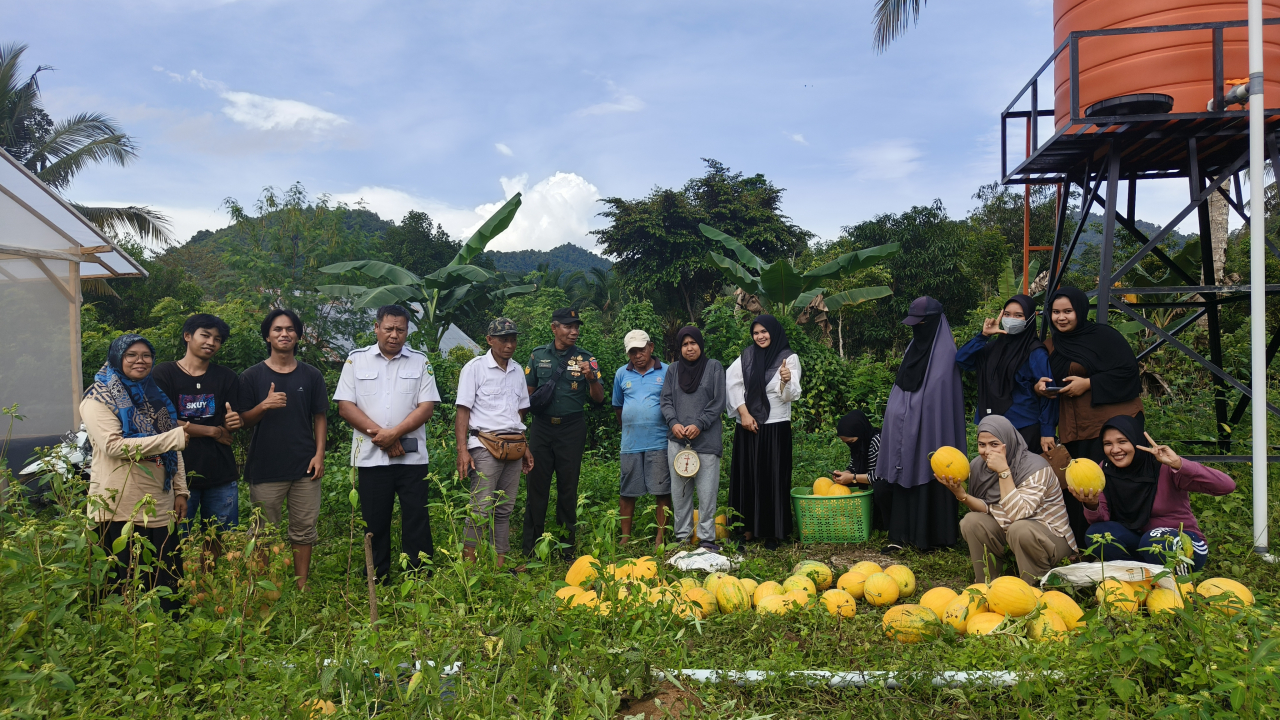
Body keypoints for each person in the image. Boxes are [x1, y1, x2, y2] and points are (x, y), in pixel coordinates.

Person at [81, 334, 190, 609]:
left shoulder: (155, 396)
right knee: (124, 580)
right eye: (131, 355)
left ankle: (167, 637)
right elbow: (113, 445)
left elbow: (173, 448)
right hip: (120, 503)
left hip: (159, 502)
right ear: (118, 357)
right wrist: (172, 437)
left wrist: (181, 491)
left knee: (164, 580)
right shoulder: (97, 398)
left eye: (146, 355)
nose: (140, 361)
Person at [335, 305, 441, 582]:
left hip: (412, 459)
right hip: (371, 457)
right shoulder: (356, 360)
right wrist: (382, 435)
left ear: (407, 331)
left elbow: (426, 407)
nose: (394, 335)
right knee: (374, 520)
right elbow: (345, 407)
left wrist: (394, 434)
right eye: (389, 328)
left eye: (401, 329)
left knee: (416, 517)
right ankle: (377, 576)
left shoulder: (419, 361)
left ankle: (419, 575)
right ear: (376, 328)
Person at [1035, 286, 1143, 547]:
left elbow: (1127, 374)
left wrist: (1089, 383)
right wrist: (1040, 387)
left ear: (1080, 311)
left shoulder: (1103, 337)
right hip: (1075, 427)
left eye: (1068, 311)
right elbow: (1044, 378)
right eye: (1056, 312)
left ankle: (1123, 541)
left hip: (1111, 425)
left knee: (1112, 483)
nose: (1061, 318)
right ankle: (1085, 546)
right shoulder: (1051, 345)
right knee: (1079, 485)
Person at [1072, 416, 1234, 574]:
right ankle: (1136, 577)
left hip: (1182, 543)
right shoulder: (1106, 469)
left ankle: (1172, 582)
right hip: (1141, 544)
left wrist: (1179, 463)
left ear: (1136, 441)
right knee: (1097, 533)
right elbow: (1102, 522)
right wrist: (1092, 504)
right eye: (1108, 444)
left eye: (1122, 441)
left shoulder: (1161, 466)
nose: (1115, 450)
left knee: (1153, 539)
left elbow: (1226, 486)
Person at [238, 309, 328, 590]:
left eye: (290, 329)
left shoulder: (311, 375)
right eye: (277, 329)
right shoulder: (252, 376)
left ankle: (301, 585)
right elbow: (242, 421)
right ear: (268, 336)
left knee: (303, 529)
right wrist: (264, 405)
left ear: (298, 336)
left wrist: (319, 454)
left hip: (305, 466)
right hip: (266, 466)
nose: (284, 334)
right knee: (263, 530)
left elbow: (320, 417)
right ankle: (265, 587)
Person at [874, 296, 965, 553]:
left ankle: (933, 538)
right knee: (905, 475)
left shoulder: (946, 355)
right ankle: (900, 535)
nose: (917, 329)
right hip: (907, 431)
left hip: (932, 433)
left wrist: (917, 416)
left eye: (921, 323)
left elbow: (939, 399)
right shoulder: (913, 347)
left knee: (930, 473)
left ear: (934, 322)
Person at [938, 415, 1077, 583]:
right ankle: (987, 584)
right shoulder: (979, 467)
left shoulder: (1036, 468)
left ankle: (1036, 587)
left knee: (1020, 528)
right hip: (1011, 532)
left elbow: (1018, 514)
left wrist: (1004, 472)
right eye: (982, 445)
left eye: (994, 444)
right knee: (972, 521)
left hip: (1051, 538)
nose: (987, 451)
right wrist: (961, 494)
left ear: (1009, 442)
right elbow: (989, 509)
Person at [522, 308, 604, 560]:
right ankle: (532, 547)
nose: (574, 331)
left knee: (568, 487)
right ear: (554, 328)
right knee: (537, 486)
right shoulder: (537, 356)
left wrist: (591, 379)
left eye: (577, 326)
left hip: (571, 428)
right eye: (568, 326)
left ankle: (566, 547)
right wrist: (521, 433)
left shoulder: (587, 359)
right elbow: (527, 397)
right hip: (542, 428)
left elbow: (599, 399)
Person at [152, 314, 243, 538]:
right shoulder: (164, 374)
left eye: (218, 339)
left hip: (220, 473)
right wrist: (212, 431)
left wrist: (233, 423)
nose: (211, 343)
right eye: (205, 335)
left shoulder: (227, 377)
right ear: (187, 336)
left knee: (221, 539)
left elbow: (232, 421)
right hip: (176, 474)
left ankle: (210, 574)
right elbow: (161, 421)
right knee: (177, 542)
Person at [455, 318, 534, 568]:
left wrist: (525, 447)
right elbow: (462, 412)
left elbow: (518, 413)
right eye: (503, 339)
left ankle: (500, 564)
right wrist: (462, 451)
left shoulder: (518, 370)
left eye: (513, 339)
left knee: (504, 508)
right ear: (489, 340)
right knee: (480, 509)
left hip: (513, 445)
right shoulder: (475, 368)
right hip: (484, 444)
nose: (509, 344)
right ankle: (470, 566)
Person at [726, 314, 802, 551]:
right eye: (756, 333)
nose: (760, 336)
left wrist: (786, 380)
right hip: (748, 425)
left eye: (764, 332)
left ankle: (772, 531)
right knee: (747, 477)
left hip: (776, 426)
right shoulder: (746, 356)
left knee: (773, 478)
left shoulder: (788, 358)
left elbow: (791, 395)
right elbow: (733, 384)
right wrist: (744, 414)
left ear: (774, 332)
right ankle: (745, 529)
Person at [956, 295, 1057, 453]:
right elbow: (962, 359)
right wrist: (984, 336)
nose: (1011, 319)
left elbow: (1049, 390)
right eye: (1007, 314)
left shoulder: (1034, 351)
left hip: (1023, 426)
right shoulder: (993, 348)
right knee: (995, 475)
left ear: (1030, 318)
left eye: (1018, 315)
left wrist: (1048, 431)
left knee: (1021, 475)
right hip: (992, 427)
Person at [660, 326, 726, 551]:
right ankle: (682, 536)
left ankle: (707, 538)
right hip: (678, 441)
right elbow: (666, 401)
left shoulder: (714, 367)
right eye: (684, 344)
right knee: (680, 491)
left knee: (707, 492)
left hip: (706, 441)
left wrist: (700, 424)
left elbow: (718, 402)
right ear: (679, 348)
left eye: (693, 343)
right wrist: (674, 423)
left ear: (700, 344)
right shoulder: (673, 370)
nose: (689, 348)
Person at [612, 329, 672, 547]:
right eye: (632, 352)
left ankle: (660, 537)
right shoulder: (622, 374)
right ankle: (625, 537)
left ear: (651, 347)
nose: (638, 355)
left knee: (662, 491)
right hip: (630, 444)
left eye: (641, 350)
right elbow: (618, 407)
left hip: (659, 442)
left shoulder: (667, 371)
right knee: (627, 491)